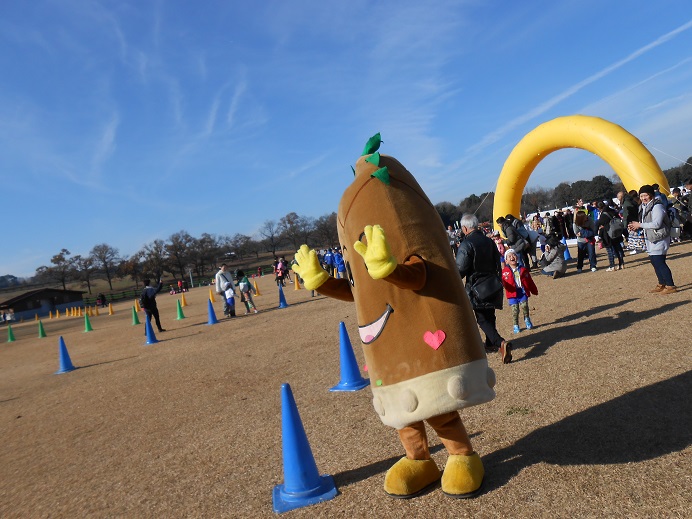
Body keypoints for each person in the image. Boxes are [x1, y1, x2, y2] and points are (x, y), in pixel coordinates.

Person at [457, 213, 512, 364]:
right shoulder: (489, 241)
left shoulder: (466, 244)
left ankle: (499, 342)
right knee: (490, 314)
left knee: (481, 318)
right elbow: (497, 262)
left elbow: (460, 268)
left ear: (465, 228)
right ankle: (490, 343)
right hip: (492, 283)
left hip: (475, 286)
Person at [628, 185, 677, 294]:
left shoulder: (657, 206)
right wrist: (635, 226)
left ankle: (670, 285)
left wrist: (639, 225)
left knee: (659, 262)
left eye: (646, 195)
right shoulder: (643, 206)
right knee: (655, 262)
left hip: (659, 236)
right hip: (650, 237)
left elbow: (657, 223)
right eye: (641, 196)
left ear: (651, 195)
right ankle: (662, 283)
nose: (643, 198)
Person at [501, 249, 538, 334]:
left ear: (517, 257)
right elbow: (502, 283)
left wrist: (534, 290)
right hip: (512, 293)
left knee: (525, 306)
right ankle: (516, 325)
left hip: (522, 292)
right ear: (506, 261)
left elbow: (529, 281)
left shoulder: (523, 270)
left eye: (513, 255)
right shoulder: (504, 272)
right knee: (515, 310)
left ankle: (527, 319)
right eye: (509, 256)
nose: (512, 257)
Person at [595, 201, 625, 271]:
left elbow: (599, 223)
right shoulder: (613, 211)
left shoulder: (603, 214)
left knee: (609, 250)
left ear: (599, 208)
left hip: (608, 233)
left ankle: (612, 265)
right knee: (618, 248)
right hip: (616, 231)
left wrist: (597, 232)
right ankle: (621, 263)